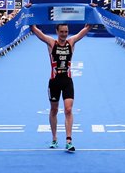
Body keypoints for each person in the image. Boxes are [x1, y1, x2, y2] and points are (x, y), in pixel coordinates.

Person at [30, 23, 92, 152]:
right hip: (54, 82)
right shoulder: (51, 43)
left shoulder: (71, 42)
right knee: (54, 110)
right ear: (57, 32)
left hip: (67, 81)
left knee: (68, 109)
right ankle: (54, 138)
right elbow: (35, 30)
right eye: (62, 32)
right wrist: (30, 14)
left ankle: (69, 140)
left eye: (66, 32)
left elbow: (86, 29)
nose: (64, 34)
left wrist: (92, 11)